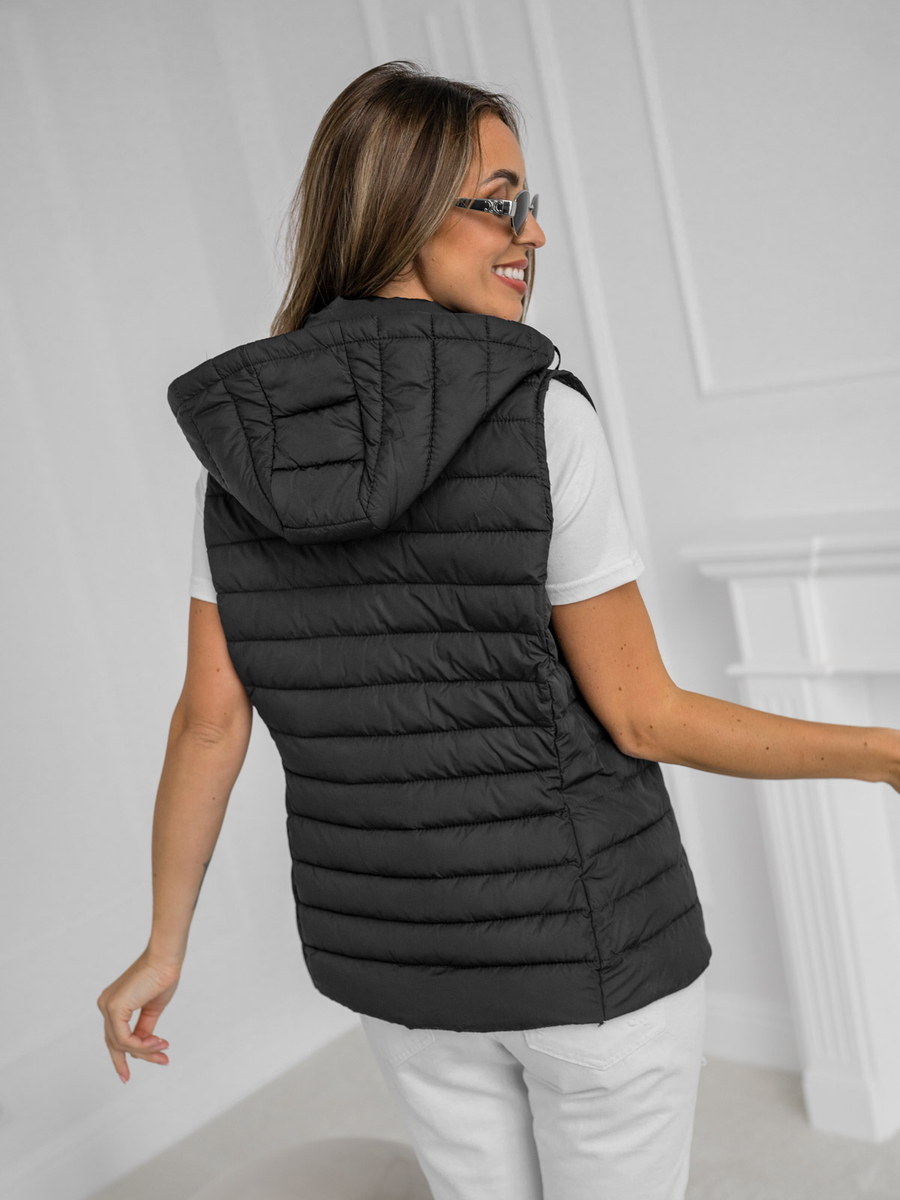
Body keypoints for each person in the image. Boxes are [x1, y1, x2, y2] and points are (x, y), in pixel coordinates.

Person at [97, 60, 900, 1200]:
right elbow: (645, 715)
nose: (533, 234)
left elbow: (208, 724)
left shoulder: (241, 462)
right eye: (501, 203)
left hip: (404, 975)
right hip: (593, 957)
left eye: (531, 205)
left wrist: (163, 943)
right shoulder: (539, 420)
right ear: (402, 208)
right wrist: (881, 753)